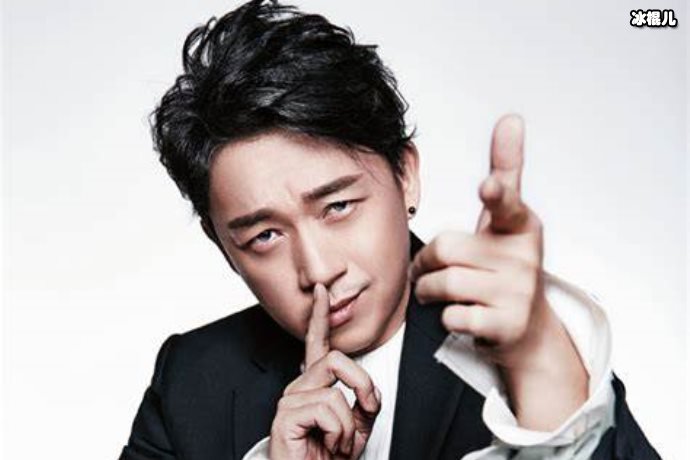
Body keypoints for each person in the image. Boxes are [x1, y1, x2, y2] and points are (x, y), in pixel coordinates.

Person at [120, 1, 659, 458]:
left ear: (406, 176)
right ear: (224, 248)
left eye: (337, 206)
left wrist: (541, 362)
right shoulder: (191, 382)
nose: (318, 270)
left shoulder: (529, 342)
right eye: (265, 236)